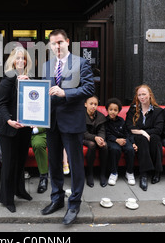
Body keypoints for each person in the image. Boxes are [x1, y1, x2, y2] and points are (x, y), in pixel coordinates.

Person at [41, 29, 94, 225]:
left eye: (60, 42)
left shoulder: (81, 63)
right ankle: (57, 199)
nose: (57, 46)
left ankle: (74, 204)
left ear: (68, 42)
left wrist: (65, 93)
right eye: (53, 43)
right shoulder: (47, 65)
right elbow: (44, 90)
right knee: (54, 163)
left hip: (72, 121)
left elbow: (89, 88)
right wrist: (29, 86)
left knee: (75, 164)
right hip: (52, 122)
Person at [0, 46, 33, 213]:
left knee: (21, 161)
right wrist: (9, 120)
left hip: (24, 128)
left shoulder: (28, 78)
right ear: (12, 61)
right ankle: (7, 198)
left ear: (26, 61)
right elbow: (1, 105)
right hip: (8, 128)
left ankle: (20, 190)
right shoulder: (7, 80)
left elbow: (33, 102)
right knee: (9, 164)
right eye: (17, 58)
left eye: (23, 58)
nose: (20, 61)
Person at [125, 84, 164, 191]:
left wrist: (147, 133)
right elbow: (128, 126)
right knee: (142, 139)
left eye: (144, 94)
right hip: (138, 137)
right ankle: (143, 174)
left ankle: (157, 172)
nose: (141, 97)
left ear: (150, 95)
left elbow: (159, 129)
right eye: (139, 95)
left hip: (153, 136)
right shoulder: (133, 109)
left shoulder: (157, 111)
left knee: (155, 138)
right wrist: (142, 132)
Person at [105, 97, 137, 186]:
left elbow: (127, 132)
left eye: (115, 110)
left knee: (130, 149)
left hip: (123, 139)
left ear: (118, 111)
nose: (113, 112)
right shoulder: (105, 121)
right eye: (111, 109)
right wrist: (116, 140)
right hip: (112, 140)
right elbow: (106, 134)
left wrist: (132, 142)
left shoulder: (121, 120)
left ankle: (129, 172)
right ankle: (114, 172)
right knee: (115, 149)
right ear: (107, 109)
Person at [83, 95, 108, 188]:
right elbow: (83, 132)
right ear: (85, 104)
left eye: (95, 104)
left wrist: (101, 139)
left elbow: (102, 131)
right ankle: (89, 173)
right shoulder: (80, 115)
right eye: (91, 104)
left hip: (96, 137)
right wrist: (95, 138)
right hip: (84, 138)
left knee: (104, 146)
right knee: (92, 145)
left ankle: (102, 174)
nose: (93, 106)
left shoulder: (100, 116)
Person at [31, 127, 48, 193]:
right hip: (19, 129)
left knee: (38, 145)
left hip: (39, 132)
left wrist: (36, 129)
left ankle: (43, 177)